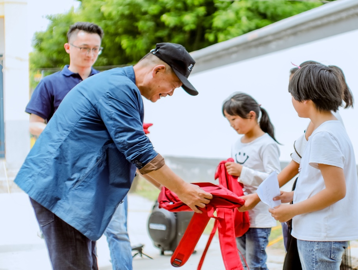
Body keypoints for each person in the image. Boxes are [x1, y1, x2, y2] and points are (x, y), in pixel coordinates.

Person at [15, 42, 213, 270]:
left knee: (86, 264)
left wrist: (167, 191)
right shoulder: (118, 88)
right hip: (62, 190)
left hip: (68, 189)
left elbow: (132, 154)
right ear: (157, 71)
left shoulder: (119, 84)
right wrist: (183, 190)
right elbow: (139, 149)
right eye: (174, 85)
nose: (171, 93)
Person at [26, 22, 135, 270]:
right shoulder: (50, 84)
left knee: (117, 231)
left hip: (108, 171)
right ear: (68, 47)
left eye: (96, 49)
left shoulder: (109, 82)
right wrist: (72, 134)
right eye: (84, 47)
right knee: (75, 240)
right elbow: (34, 125)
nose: (90, 54)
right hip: (68, 174)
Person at [270, 64, 358, 270]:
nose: (291, 102)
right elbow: (325, 185)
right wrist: (293, 196)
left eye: (292, 96)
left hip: (320, 234)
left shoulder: (324, 136)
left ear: (306, 99)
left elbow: (336, 191)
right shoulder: (331, 129)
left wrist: (291, 210)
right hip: (321, 233)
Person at [223, 93, 281, 270]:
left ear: (251, 115)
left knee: (255, 265)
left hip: (259, 217)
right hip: (239, 214)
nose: (232, 125)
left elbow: (275, 179)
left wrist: (243, 172)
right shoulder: (237, 143)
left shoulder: (267, 144)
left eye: (234, 119)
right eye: (228, 120)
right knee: (242, 264)